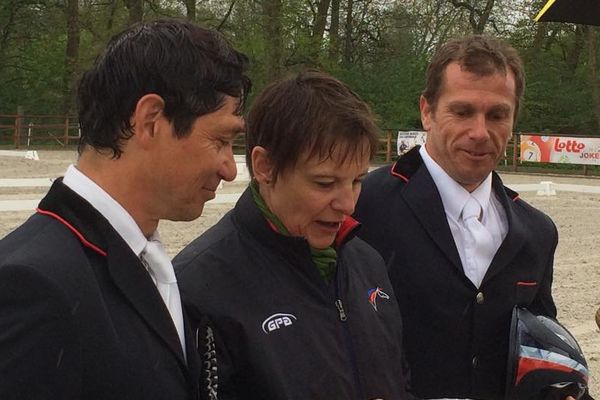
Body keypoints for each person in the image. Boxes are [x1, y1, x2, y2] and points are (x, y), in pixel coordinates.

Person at [0, 19, 249, 400]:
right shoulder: (35, 286)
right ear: (150, 120)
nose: (230, 169)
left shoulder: (141, 256)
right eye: (220, 140)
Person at [174, 70, 415, 399]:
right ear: (265, 167)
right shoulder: (199, 288)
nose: (348, 204)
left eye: (357, 180)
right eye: (325, 183)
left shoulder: (367, 263)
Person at [354, 35, 561, 400]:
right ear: (427, 111)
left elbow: (540, 355)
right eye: (462, 112)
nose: (480, 132)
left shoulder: (538, 233)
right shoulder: (364, 204)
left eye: (497, 114)